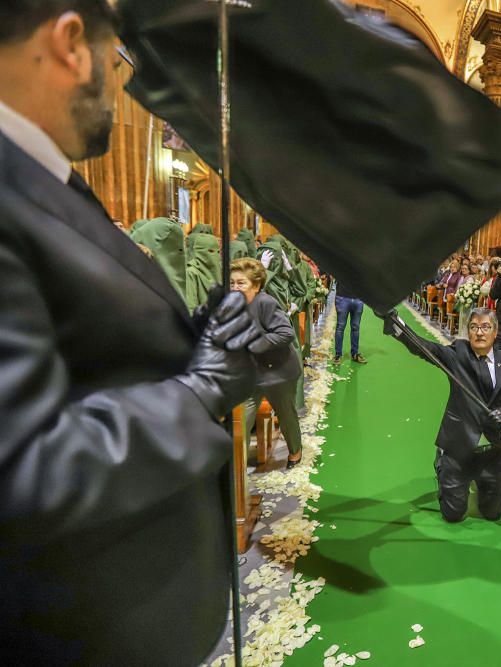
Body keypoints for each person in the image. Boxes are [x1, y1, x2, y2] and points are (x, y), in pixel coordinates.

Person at [0, 4, 263, 662]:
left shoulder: (41, 174)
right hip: (80, 629)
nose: (121, 85)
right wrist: (199, 392)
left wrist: (199, 332)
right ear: (71, 45)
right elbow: (23, 462)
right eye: (117, 59)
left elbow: (95, 345)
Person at [382, 308, 501, 522]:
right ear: (468, 332)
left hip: (491, 453)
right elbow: (426, 348)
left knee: (493, 513)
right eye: (474, 327)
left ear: (495, 331)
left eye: (485, 327)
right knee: (453, 514)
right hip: (458, 450)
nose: (479, 332)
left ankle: (483, 483)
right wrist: (397, 325)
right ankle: (442, 463)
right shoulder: (458, 353)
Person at [231, 258, 304, 468]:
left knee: (285, 414)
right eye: (232, 282)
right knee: (241, 420)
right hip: (251, 375)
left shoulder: (265, 303)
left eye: (241, 283)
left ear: (256, 285)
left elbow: (286, 333)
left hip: (278, 373)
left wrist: (256, 342)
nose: (235, 287)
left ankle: (295, 452)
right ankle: (237, 466)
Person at [334, 276, 367, 365]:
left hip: (358, 298)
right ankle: (338, 355)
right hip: (342, 297)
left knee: (356, 327)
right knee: (340, 327)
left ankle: (355, 354)